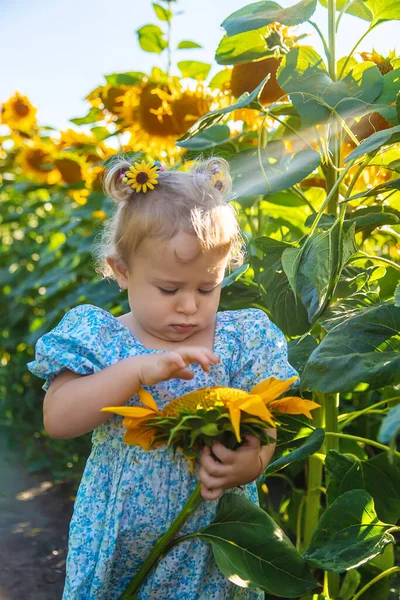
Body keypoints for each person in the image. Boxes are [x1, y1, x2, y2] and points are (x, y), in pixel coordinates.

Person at [27, 156, 298, 600]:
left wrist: (254, 461)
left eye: (207, 288)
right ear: (122, 270)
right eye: (170, 289)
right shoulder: (103, 339)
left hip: (211, 541)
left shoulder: (241, 337)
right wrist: (133, 371)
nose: (189, 306)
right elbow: (58, 418)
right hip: (120, 539)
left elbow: (263, 420)